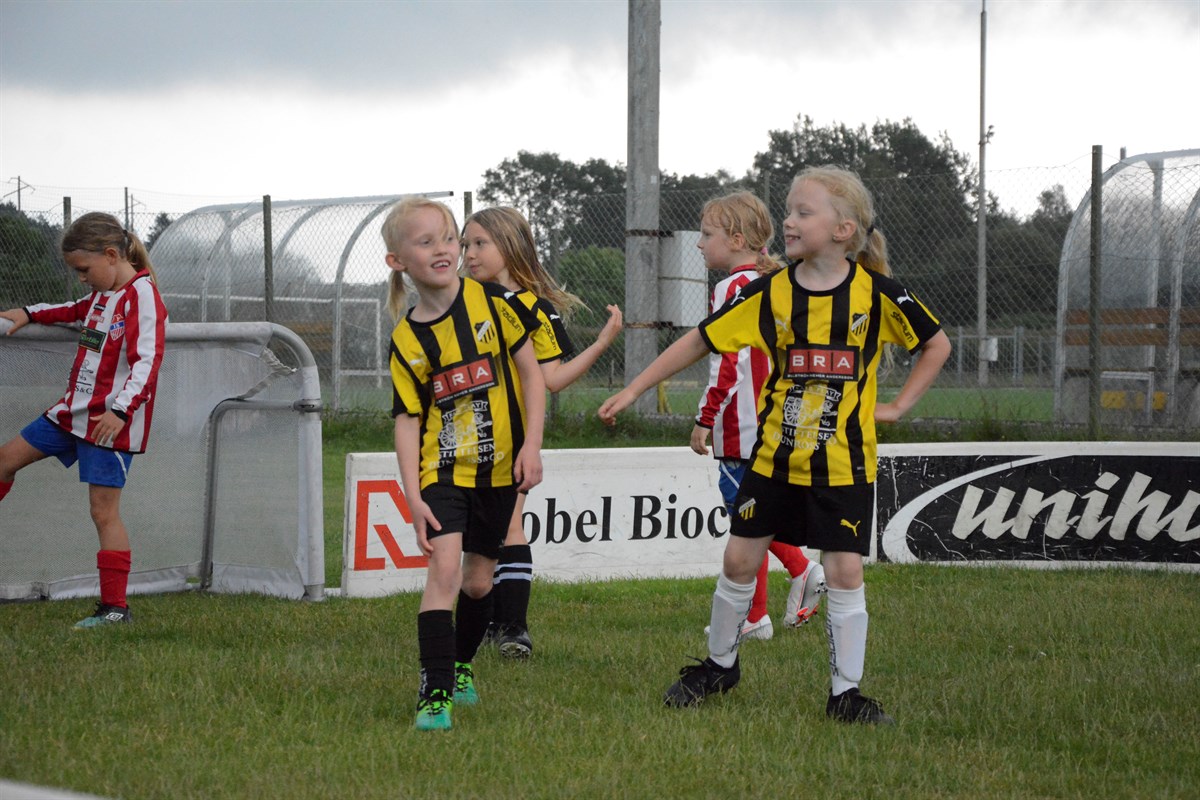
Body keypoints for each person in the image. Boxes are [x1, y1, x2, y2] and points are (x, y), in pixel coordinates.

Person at [599, 166, 951, 724]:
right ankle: (720, 666)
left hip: (843, 465)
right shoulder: (770, 292)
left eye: (803, 212)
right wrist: (634, 388)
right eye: (788, 210)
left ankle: (846, 694)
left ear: (843, 229)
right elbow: (701, 339)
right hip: (773, 460)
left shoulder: (879, 294)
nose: (788, 221)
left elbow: (936, 344)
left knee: (844, 573)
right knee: (739, 560)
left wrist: (899, 406)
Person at [382, 198, 546, 732]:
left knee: (478, 584)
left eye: (448, 238)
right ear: (397, 261)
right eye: (426, 241)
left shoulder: (494, 303)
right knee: (445, 572)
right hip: (444, 472)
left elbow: (532, 376)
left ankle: (461, 665)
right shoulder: (407, 340)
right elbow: (408, 420)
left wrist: (532, 446)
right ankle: (434, 694)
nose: (444, 249)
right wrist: (412, 496)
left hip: (500, 471)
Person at [461, 206, 623, 659]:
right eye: (465, 244)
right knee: (477, 532)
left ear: (510, 245)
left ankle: (513, 628)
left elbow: (551, 380)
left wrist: (601, 343)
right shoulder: (460, 301)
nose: (469, 254)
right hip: (462, 434)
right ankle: (486, 620)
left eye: (480, 244)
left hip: (510, 436)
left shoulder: (535, 309)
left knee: (510, 523)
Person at [0, 212, 168, 628]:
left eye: (83, 269)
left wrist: (120, 411)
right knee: (4, 461)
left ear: (111, 255)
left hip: (110, 424)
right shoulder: (101, 295)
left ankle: (115, 610)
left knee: (103, 512)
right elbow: (72, 310)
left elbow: (148, 362)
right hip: (71, 413)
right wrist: (29, 313)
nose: (81, 278)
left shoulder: (142, 295)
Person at [691, 192, 825, 643]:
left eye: (707, 234)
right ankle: (767, 605)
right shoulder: (776, 282)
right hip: (773, 423)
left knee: (746, 521)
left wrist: (705, 417)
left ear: (736, 239)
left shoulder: (732, 288)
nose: (699, 244)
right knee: (754, 515)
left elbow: (727, 360)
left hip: (740, 427)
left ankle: (783, 587)